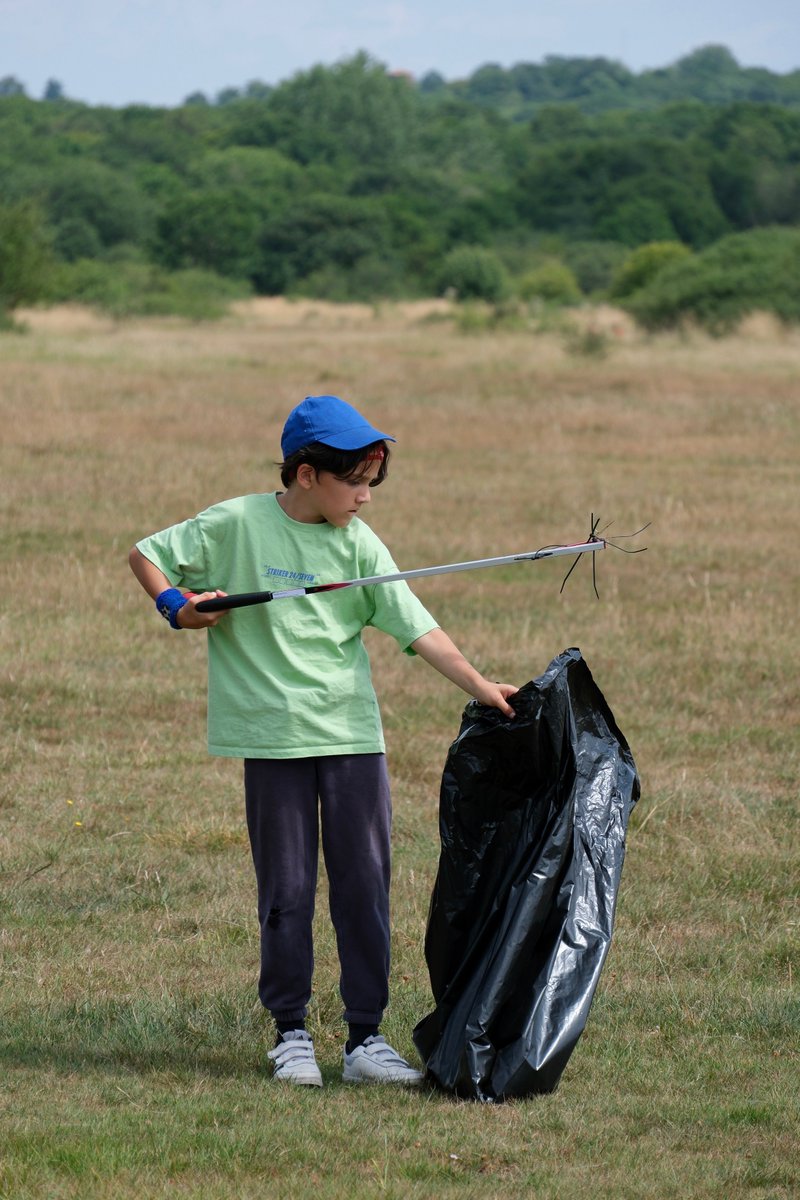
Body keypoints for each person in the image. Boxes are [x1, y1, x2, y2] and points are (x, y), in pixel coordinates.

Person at [129, 394, 518, 1088]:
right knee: (287, 888)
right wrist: (177, 610)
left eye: (374, 483)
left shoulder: (360, 546)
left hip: (350, 738)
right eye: (355, 482)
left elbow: (416, 627)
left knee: (364, 886)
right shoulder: (237, 522)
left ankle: (365, 1039)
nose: (365, 498)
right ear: (306, 474)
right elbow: (148, 556)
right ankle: (291, 1034)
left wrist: (482, 686)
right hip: (271, 740)